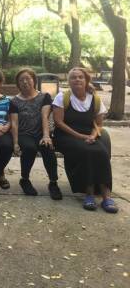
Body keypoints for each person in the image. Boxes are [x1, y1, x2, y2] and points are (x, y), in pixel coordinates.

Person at [52, 67, 117, 213]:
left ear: (86, 79)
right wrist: (81, 137)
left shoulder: (95, 99)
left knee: (101, 152)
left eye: (80, 77)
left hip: (89, 133)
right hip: (66, 135)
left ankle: (106, 195)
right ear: (69, 81)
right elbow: (59, 123)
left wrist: (93, 136)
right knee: (86, 151)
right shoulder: (62, 97)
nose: (77, 80)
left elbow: (99, 124)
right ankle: (89, 193)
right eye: (73, 77)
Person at [9, 68, 62, 200]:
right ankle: (25, 179)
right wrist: (15, 143)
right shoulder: (14, 101)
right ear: (18, 84)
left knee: (47, 147)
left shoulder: (44, 97)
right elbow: (14, 123)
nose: (25, 82)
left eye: (28, 78)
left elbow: (45, 117)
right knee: (29, 148)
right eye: (21, 80)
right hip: (24, 134)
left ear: (34, 80)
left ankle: (53, 183)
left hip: (41, 133)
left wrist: (46, 136)